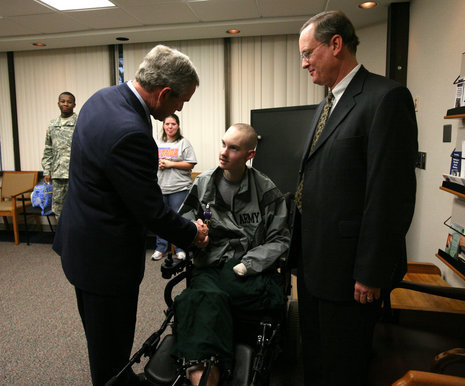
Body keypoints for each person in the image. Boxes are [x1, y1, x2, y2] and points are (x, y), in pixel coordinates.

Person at [52, 45, 209, 386]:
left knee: (100, 337)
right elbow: (152, 211)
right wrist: (193, 233)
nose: (180, 108)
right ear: (164, 92)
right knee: (110, 349)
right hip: (105, 262)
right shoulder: (131, 133)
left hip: (81, 243)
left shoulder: (101, 98)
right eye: (180, 100)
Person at [292, 11, 418, 385]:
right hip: (314, 262)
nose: (303, 64)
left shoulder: (386, 98)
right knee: (313, 358)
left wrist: (371, 272)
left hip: (351, 273)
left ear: (335, 44)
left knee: (342, 367)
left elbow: (389, 194)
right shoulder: (326, 103)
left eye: (307, 53)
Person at [171, 123, 291, 386]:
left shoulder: (265, 189)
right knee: (201, 298)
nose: (224, 152)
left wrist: (250, 263)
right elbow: (184, 222)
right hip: (211, 265)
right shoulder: (203, 184)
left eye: (233, 148)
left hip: (249, 269)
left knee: (216, 301)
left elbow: (280, 237)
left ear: (250, 155)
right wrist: (194, 233)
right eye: (223, 144)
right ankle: (205, 373)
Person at [151, 113, 197, 262]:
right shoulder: (157, 143)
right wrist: (157, 164)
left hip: (179, 187)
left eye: (173, 124)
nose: (170, 127)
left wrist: (170, 164)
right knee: (160, 219)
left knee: (179, 219)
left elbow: (190, 163)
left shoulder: (183, 143)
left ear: (178, 126)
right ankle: (160, 248)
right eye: (167, 124)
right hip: (161, 187)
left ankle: (180, 248)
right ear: (163, 126)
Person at [41, 91, 77, 219]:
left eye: (69, 101)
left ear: (74, 104)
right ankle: (61, 238)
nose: (65, 104)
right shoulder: (52, 124)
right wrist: (47, 170)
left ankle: (76, 238)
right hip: (57, 174)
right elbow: (48, 149)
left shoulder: (79, 123)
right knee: (58, 209)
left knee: (76, 207)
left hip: (75, 174)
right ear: (58, 103)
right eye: (63, 101)